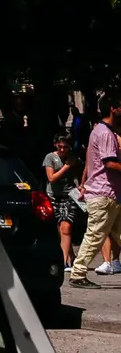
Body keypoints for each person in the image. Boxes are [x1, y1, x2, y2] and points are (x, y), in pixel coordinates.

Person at [70, 95, 121, 288]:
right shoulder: (105, 133)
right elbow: (109, 162)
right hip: (104, 194)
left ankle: (78, 272)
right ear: (114, 109)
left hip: (111, 194)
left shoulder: (101, 130)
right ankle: (78, 273)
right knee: (94, 235)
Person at [45, 132, 79, 269]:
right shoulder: (50, 157)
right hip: (53, 195)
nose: (63, 150)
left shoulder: (73, 158)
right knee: (61, 231)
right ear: (55, 145)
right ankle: (71, 255)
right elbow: (51, 178)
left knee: (66, 227)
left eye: (65, 147)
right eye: (60, 147)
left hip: (69, 196)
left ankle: (63, 261)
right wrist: (66, 166)